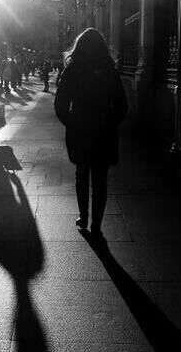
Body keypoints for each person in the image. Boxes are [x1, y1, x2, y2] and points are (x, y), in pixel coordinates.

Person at [54, 28, 127, 236]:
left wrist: (71, 122)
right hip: (103, 132)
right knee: (100, 180)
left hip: (80, 131)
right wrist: (110, 123)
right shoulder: (109, 70)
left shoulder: (72, 69)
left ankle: (83, 217)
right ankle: (97, 223)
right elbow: (122, 105)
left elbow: (60, 104)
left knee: (82, 174)